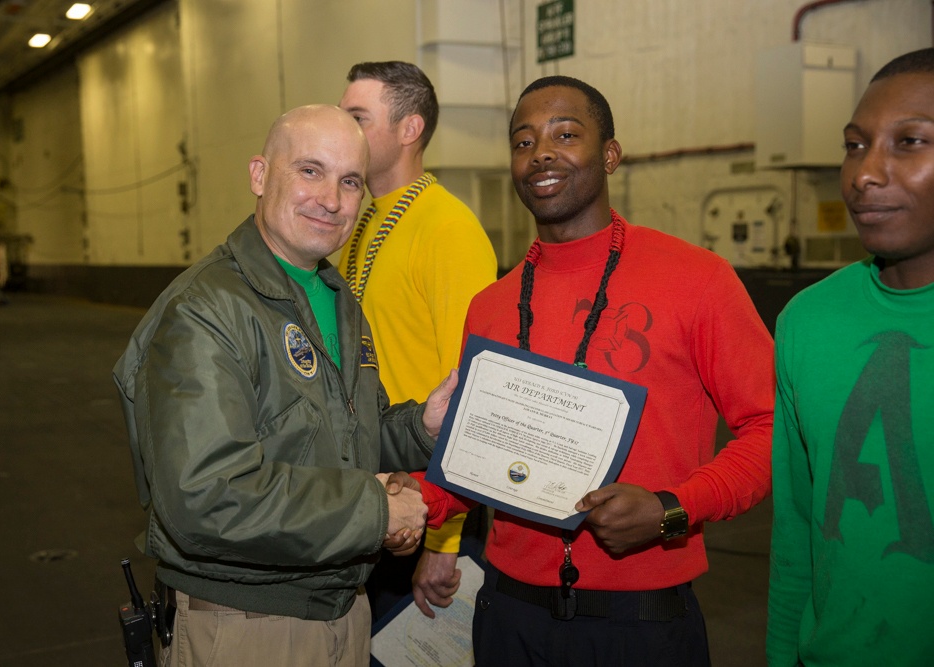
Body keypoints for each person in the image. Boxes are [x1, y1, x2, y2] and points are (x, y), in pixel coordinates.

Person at [398, 75, 775, 666]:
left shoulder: (698, 280)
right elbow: (477, 457)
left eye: (565, 134)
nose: (541, 152)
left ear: (611, 154)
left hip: (644, 625)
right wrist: (412, 503)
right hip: (507, 616)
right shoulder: (491, 306)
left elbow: (770, 433)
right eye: (523, 142)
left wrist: (671, 509)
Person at [112, 104, 456, 667]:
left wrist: (421, 427)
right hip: (247, 625)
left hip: (344, 608)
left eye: (350, 181)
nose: (332, 198)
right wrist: (375, 510)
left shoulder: (336, 298)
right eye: (310, 171)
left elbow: (346, 434)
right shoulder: (204, 310)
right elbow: (206, 497)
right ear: (259, 174)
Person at [767, 48, 934, 667]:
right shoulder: (807, 321)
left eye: (910, 141)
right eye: (855, 145)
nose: (865, 173)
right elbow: (797, 531)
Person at [338, 60, 498, 619]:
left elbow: (472, 393)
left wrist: (444, 543)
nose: (343, 128)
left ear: (410, 129)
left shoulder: (448, 229)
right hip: (375, 488)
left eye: (357, 117)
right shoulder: (358, 223)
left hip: (432, 505)